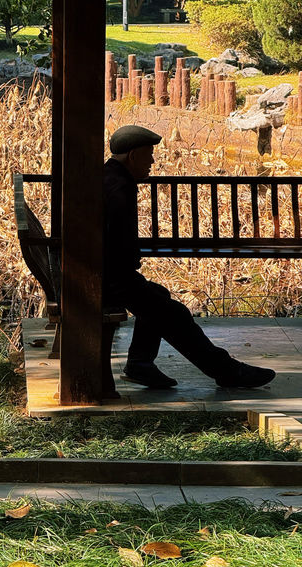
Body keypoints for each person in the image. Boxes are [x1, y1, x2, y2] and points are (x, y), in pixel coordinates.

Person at [104, 124, 276, 390]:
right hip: (109, 278)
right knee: (173, 313)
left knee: (157, 296)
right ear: (133, 155)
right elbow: (117, 241)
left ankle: (140, 364)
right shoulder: (119, 187)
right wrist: (130, 267)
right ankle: (226, 372)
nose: (152, 161)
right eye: (149, 154)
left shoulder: (110, 177)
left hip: (103, 273)